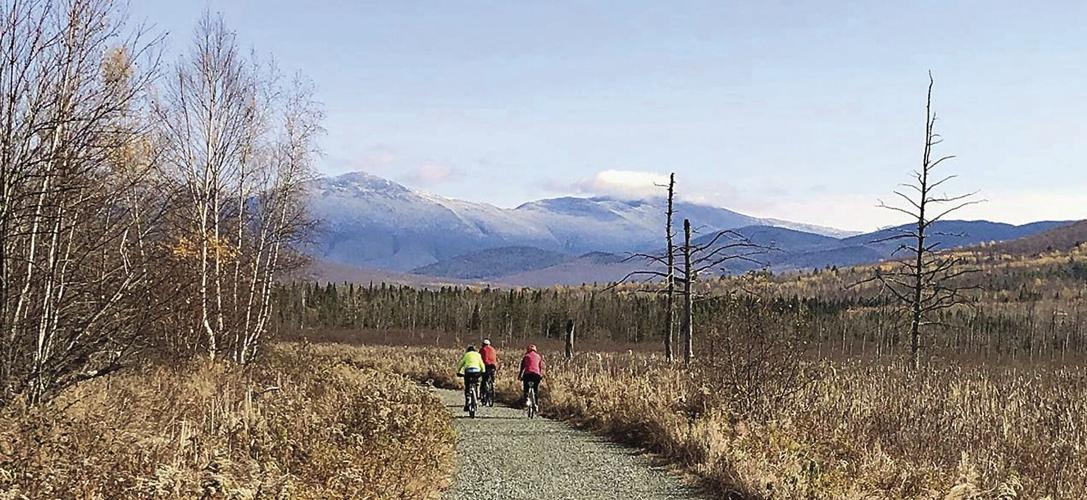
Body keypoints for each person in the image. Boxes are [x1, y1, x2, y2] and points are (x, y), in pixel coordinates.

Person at [456, 345, 486, 412]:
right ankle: (477, 395)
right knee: (477, 383)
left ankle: (467, 401)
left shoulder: (466, 355)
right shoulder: (478, 355)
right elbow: (481, 364)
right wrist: (483, 371)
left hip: (468, 372)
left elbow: (461, 364)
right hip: (477, 372)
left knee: (467, 386)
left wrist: (458, 371)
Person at [479, 339, 499, 406]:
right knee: (492, 378)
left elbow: (479, 358)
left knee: (484, 380)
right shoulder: (493, 349)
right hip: (493, 366)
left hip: (486, 366)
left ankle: (483, 395)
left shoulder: (482, 349)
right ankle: (492, 384)